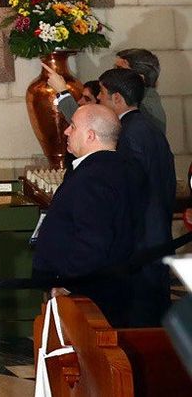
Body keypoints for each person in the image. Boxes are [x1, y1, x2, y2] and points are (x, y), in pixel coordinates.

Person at [32, 104, 147, 327]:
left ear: (90, 135)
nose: (66, 131)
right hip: (117, 287)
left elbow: (93, 240)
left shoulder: (92, 177)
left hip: (89, 298)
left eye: (73, 126)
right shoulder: (125, 168)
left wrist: (68, 284)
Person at [100, 67, 175, 326]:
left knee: (140, 321)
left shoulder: (128, 134)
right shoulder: (148, 127)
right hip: (156, 235)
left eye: (101, 95)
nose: (99, 100)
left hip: (140, 243)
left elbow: (130, 192)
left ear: (117, 98)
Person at [114, 47, 166, 131]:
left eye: (120, 70)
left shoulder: (144, 107)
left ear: (140, 78)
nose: (113, 74)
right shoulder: (141, 100)